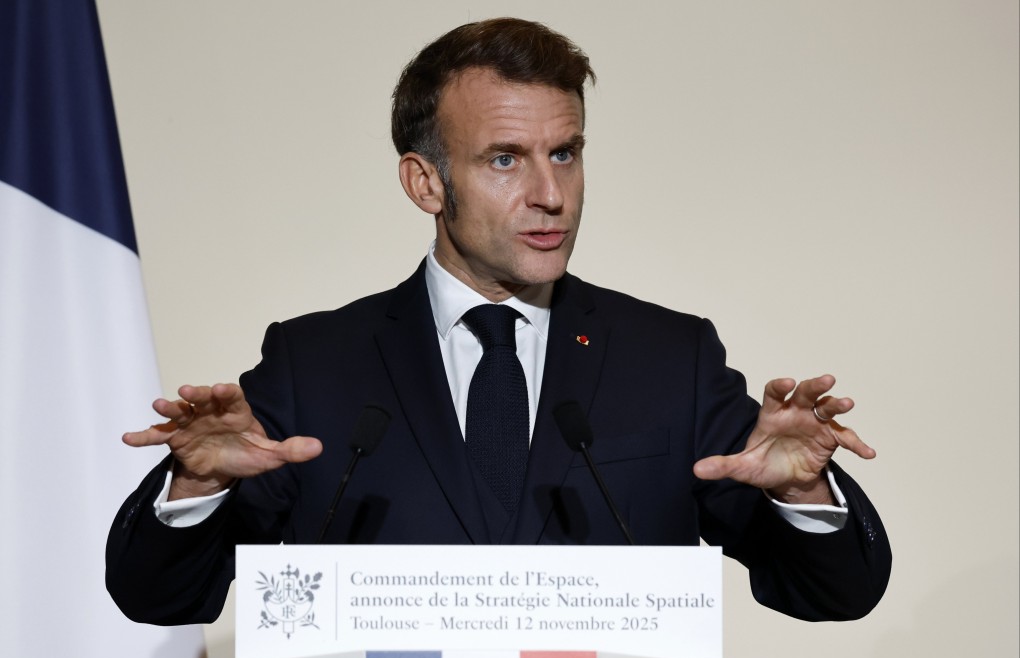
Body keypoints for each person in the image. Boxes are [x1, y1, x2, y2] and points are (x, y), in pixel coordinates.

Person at [106, 17, 891, 626]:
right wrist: (198, 483)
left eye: (568, 152)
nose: (552, 194)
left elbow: (835, 593)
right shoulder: (316, 362)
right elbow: (160, 596)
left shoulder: (669, 357)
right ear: (425, 183)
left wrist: (805, 495)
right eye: (506, 159)